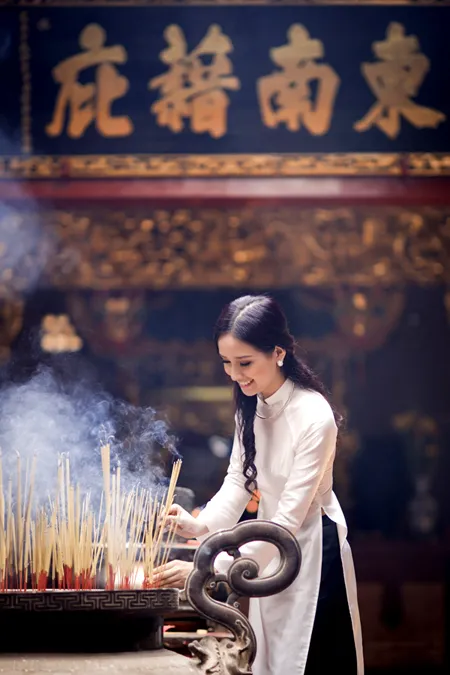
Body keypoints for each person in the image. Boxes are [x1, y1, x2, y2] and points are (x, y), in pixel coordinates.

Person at [154, 295, 364, 675]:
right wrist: (200, 526)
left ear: (278, 352)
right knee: (271, 657)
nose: (235, 374)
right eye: (227, 363)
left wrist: (210, 566)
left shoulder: (315, 416)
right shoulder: (251, 403)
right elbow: (240, 480)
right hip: (267, 546)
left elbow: (289, 520)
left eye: (245, 363)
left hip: (311, 547)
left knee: (308, 657)